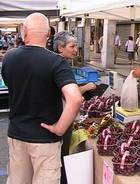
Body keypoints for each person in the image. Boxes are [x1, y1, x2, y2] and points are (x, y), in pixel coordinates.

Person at [1, 13, 82, 184]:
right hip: (45, 140)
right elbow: (75, 99)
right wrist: (60, 128)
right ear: (48, 35)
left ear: (24, 32)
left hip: (17, 135)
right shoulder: (57, 62)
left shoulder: (9, 57)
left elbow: (12, 86)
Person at [53, 31, 96, 184]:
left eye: (76, 46)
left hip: (58, 116)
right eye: (72, 46)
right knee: (62, 154)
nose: (75, 49)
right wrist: (86, 88)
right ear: (60, 48)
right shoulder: (60, 64)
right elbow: (69, 95)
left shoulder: (55, 62)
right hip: (62, 118)